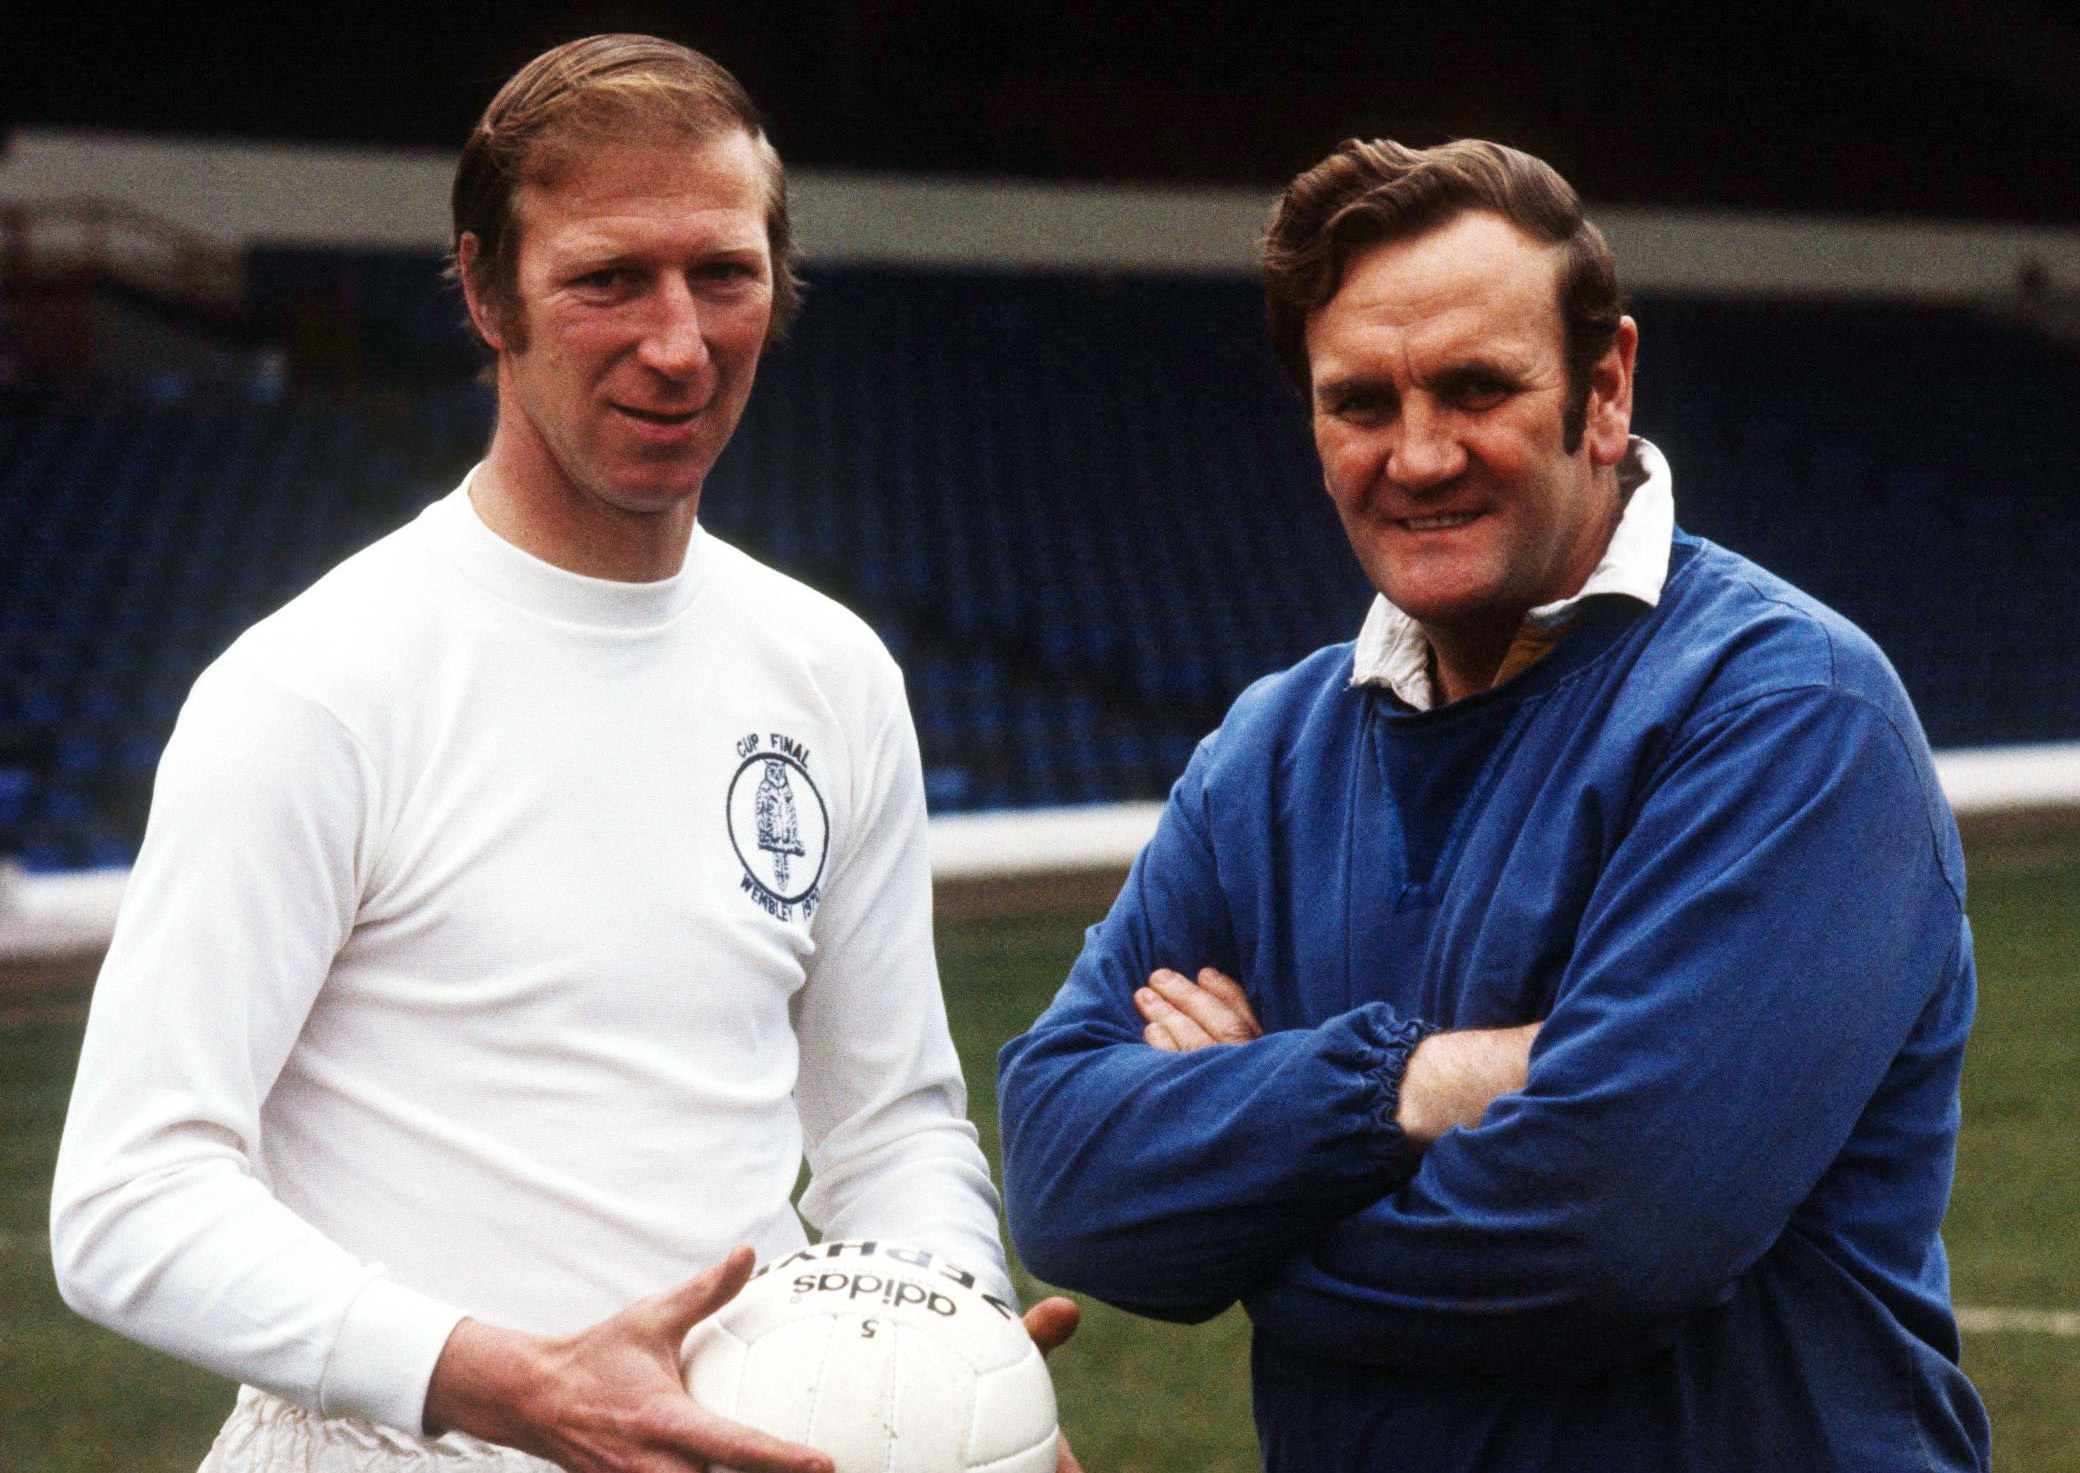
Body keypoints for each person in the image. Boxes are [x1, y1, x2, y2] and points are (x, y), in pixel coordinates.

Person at [52, 35, 1074, 1473]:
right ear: (485, 291)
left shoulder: (830, 673)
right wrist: (495, 1379)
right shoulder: (316, 686)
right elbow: (126, 1200)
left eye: (723, 272)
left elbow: (889, 1125)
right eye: (608, 278)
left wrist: (952, 1352)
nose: (679, 340)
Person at [997, 138, 1989, 1472]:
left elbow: (1611, 1231)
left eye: (1476, 388)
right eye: (1358, 402)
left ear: (1605, 386)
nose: (1416, 455)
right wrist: (1413, 1083)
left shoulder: (1788, 709)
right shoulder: (1269, 751)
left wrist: (1243, 1212)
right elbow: (1063, 1170)